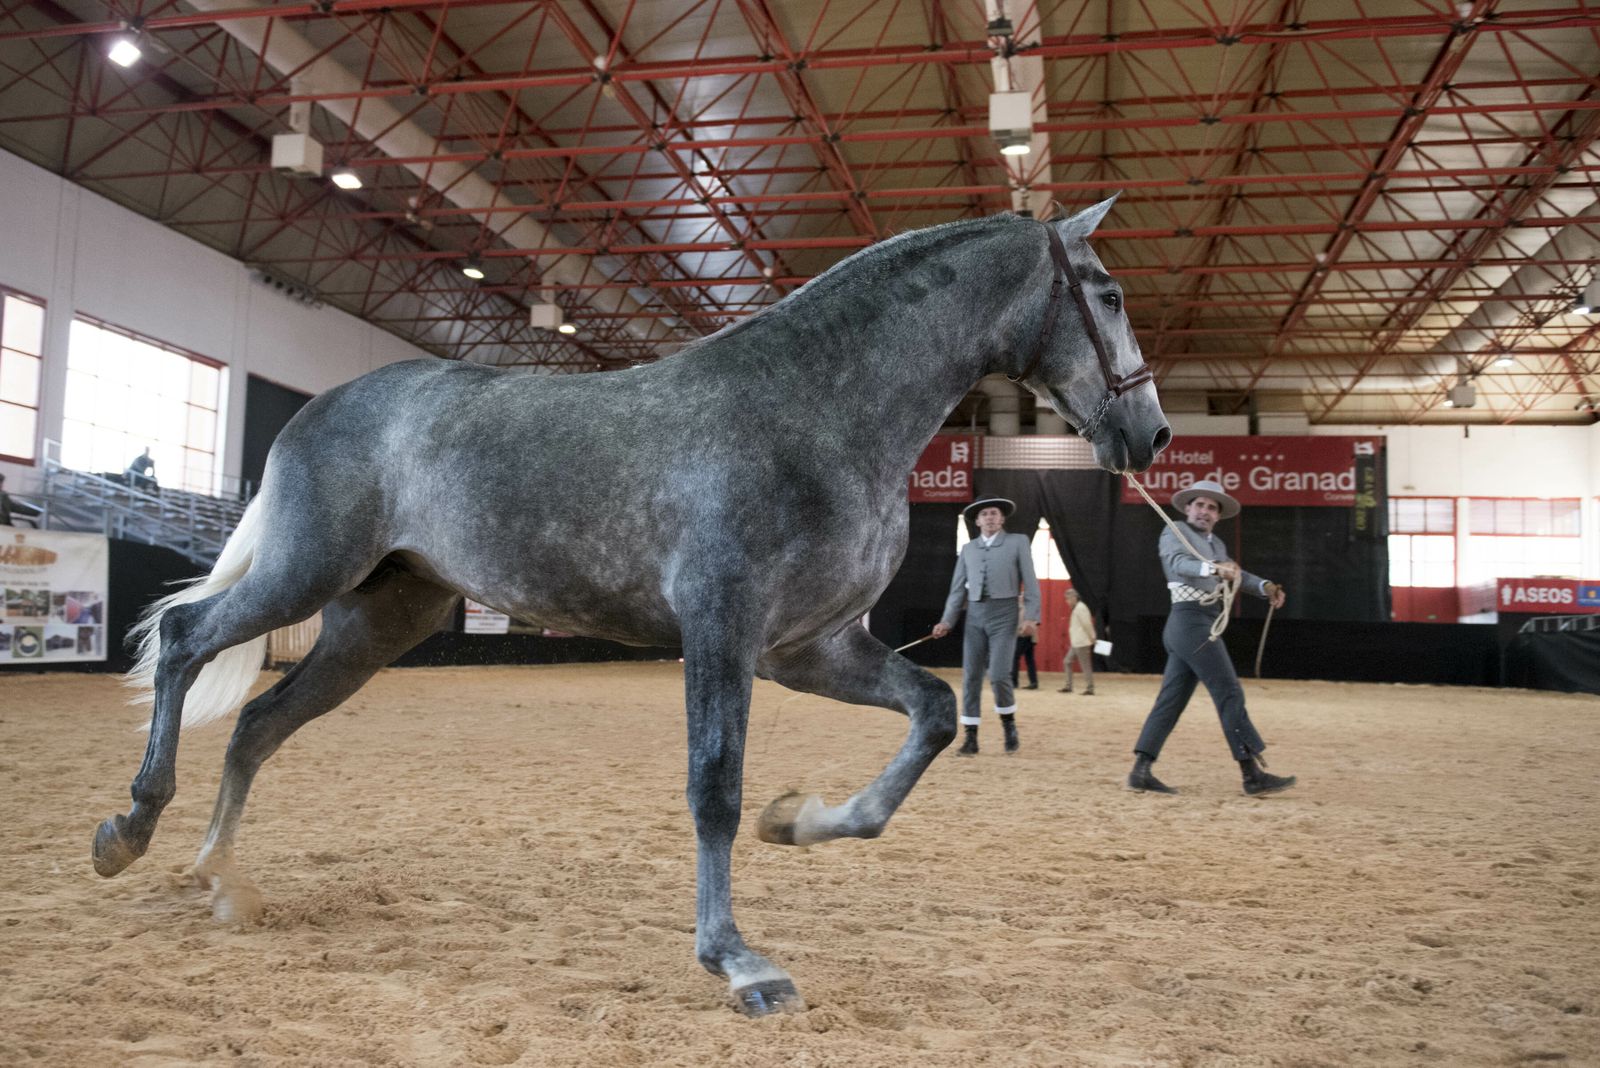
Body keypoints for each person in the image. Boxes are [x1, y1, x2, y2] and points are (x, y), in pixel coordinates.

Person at [1127, 478, 1297, 796]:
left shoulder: (1216, 545)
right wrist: (1214, 570)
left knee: (1171, 700)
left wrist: (1265, 587)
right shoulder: (1175, 532)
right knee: (1229, 692)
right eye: (1200, 504)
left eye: (1212, 507)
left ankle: (1140, 770)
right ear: (1188, 508)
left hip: (1199, 623)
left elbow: (1235, 573)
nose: (1205, 511)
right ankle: (1251, 774)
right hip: (1190, 622)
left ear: (1218, 515)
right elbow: (1180, 564)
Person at [931, 497, 1041, 755]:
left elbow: (1031, 582)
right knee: (970, 676)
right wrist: (947, 620)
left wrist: (1031, 617)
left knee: (1000, 674)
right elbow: (957, 589)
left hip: (1005, 614)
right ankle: (971, 737)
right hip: (975, 615)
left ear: (1002, 519)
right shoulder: (968, 549)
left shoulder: (1018, 542)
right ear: (977, 521)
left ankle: (1009, 726)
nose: (990, 517)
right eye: (984, 514)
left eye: (994, 513)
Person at [1059, 588, 1096, 695]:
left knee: (1085, 665)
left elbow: (1087, 624)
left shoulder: (1081, 608)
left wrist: (1092, 637)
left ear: (1074, 598)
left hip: (1081, 642)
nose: (1067, 602)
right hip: (1077, 642)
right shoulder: (1077, 608)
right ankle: (1068, 686)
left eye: (1068, 599)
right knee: (1067, 661)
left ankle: (1090, 688)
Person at [1011, 603, 1038, 690]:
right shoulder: (1030, 608)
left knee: (1015, 657)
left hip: (1023, 636)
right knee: (1030, 659)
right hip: (1030, 637)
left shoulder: (1022, 609)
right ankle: (1034, 682)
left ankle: (1014, 682)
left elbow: (1021, 625)